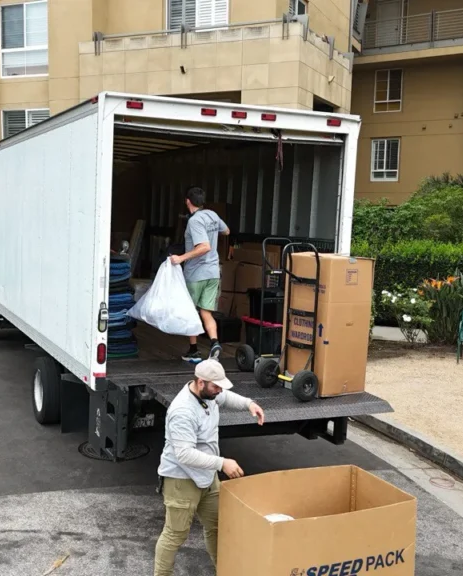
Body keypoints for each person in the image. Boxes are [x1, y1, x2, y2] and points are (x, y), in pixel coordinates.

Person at [153, 359, 265, 576]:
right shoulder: (182, 410)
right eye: (215, 386)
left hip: (207, 477)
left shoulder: (210, 394)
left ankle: (224, 570)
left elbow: (226, 397)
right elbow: (184, 454)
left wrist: (249, 404)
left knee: (217, 527)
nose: (219, 391)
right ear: (200, 382)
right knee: (175, 535)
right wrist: (222, 462)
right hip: (181, 480)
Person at [169, 187, 229, 363]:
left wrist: (181, 258)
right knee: (206, 312)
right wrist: (212, 230)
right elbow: (226, 231)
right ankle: (215, 343)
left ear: (187, 201)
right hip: (213, 273)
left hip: (197, 274)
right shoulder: (212, 215)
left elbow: (204, 247)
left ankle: (194, 350)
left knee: (191, 312)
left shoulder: (194, 221)